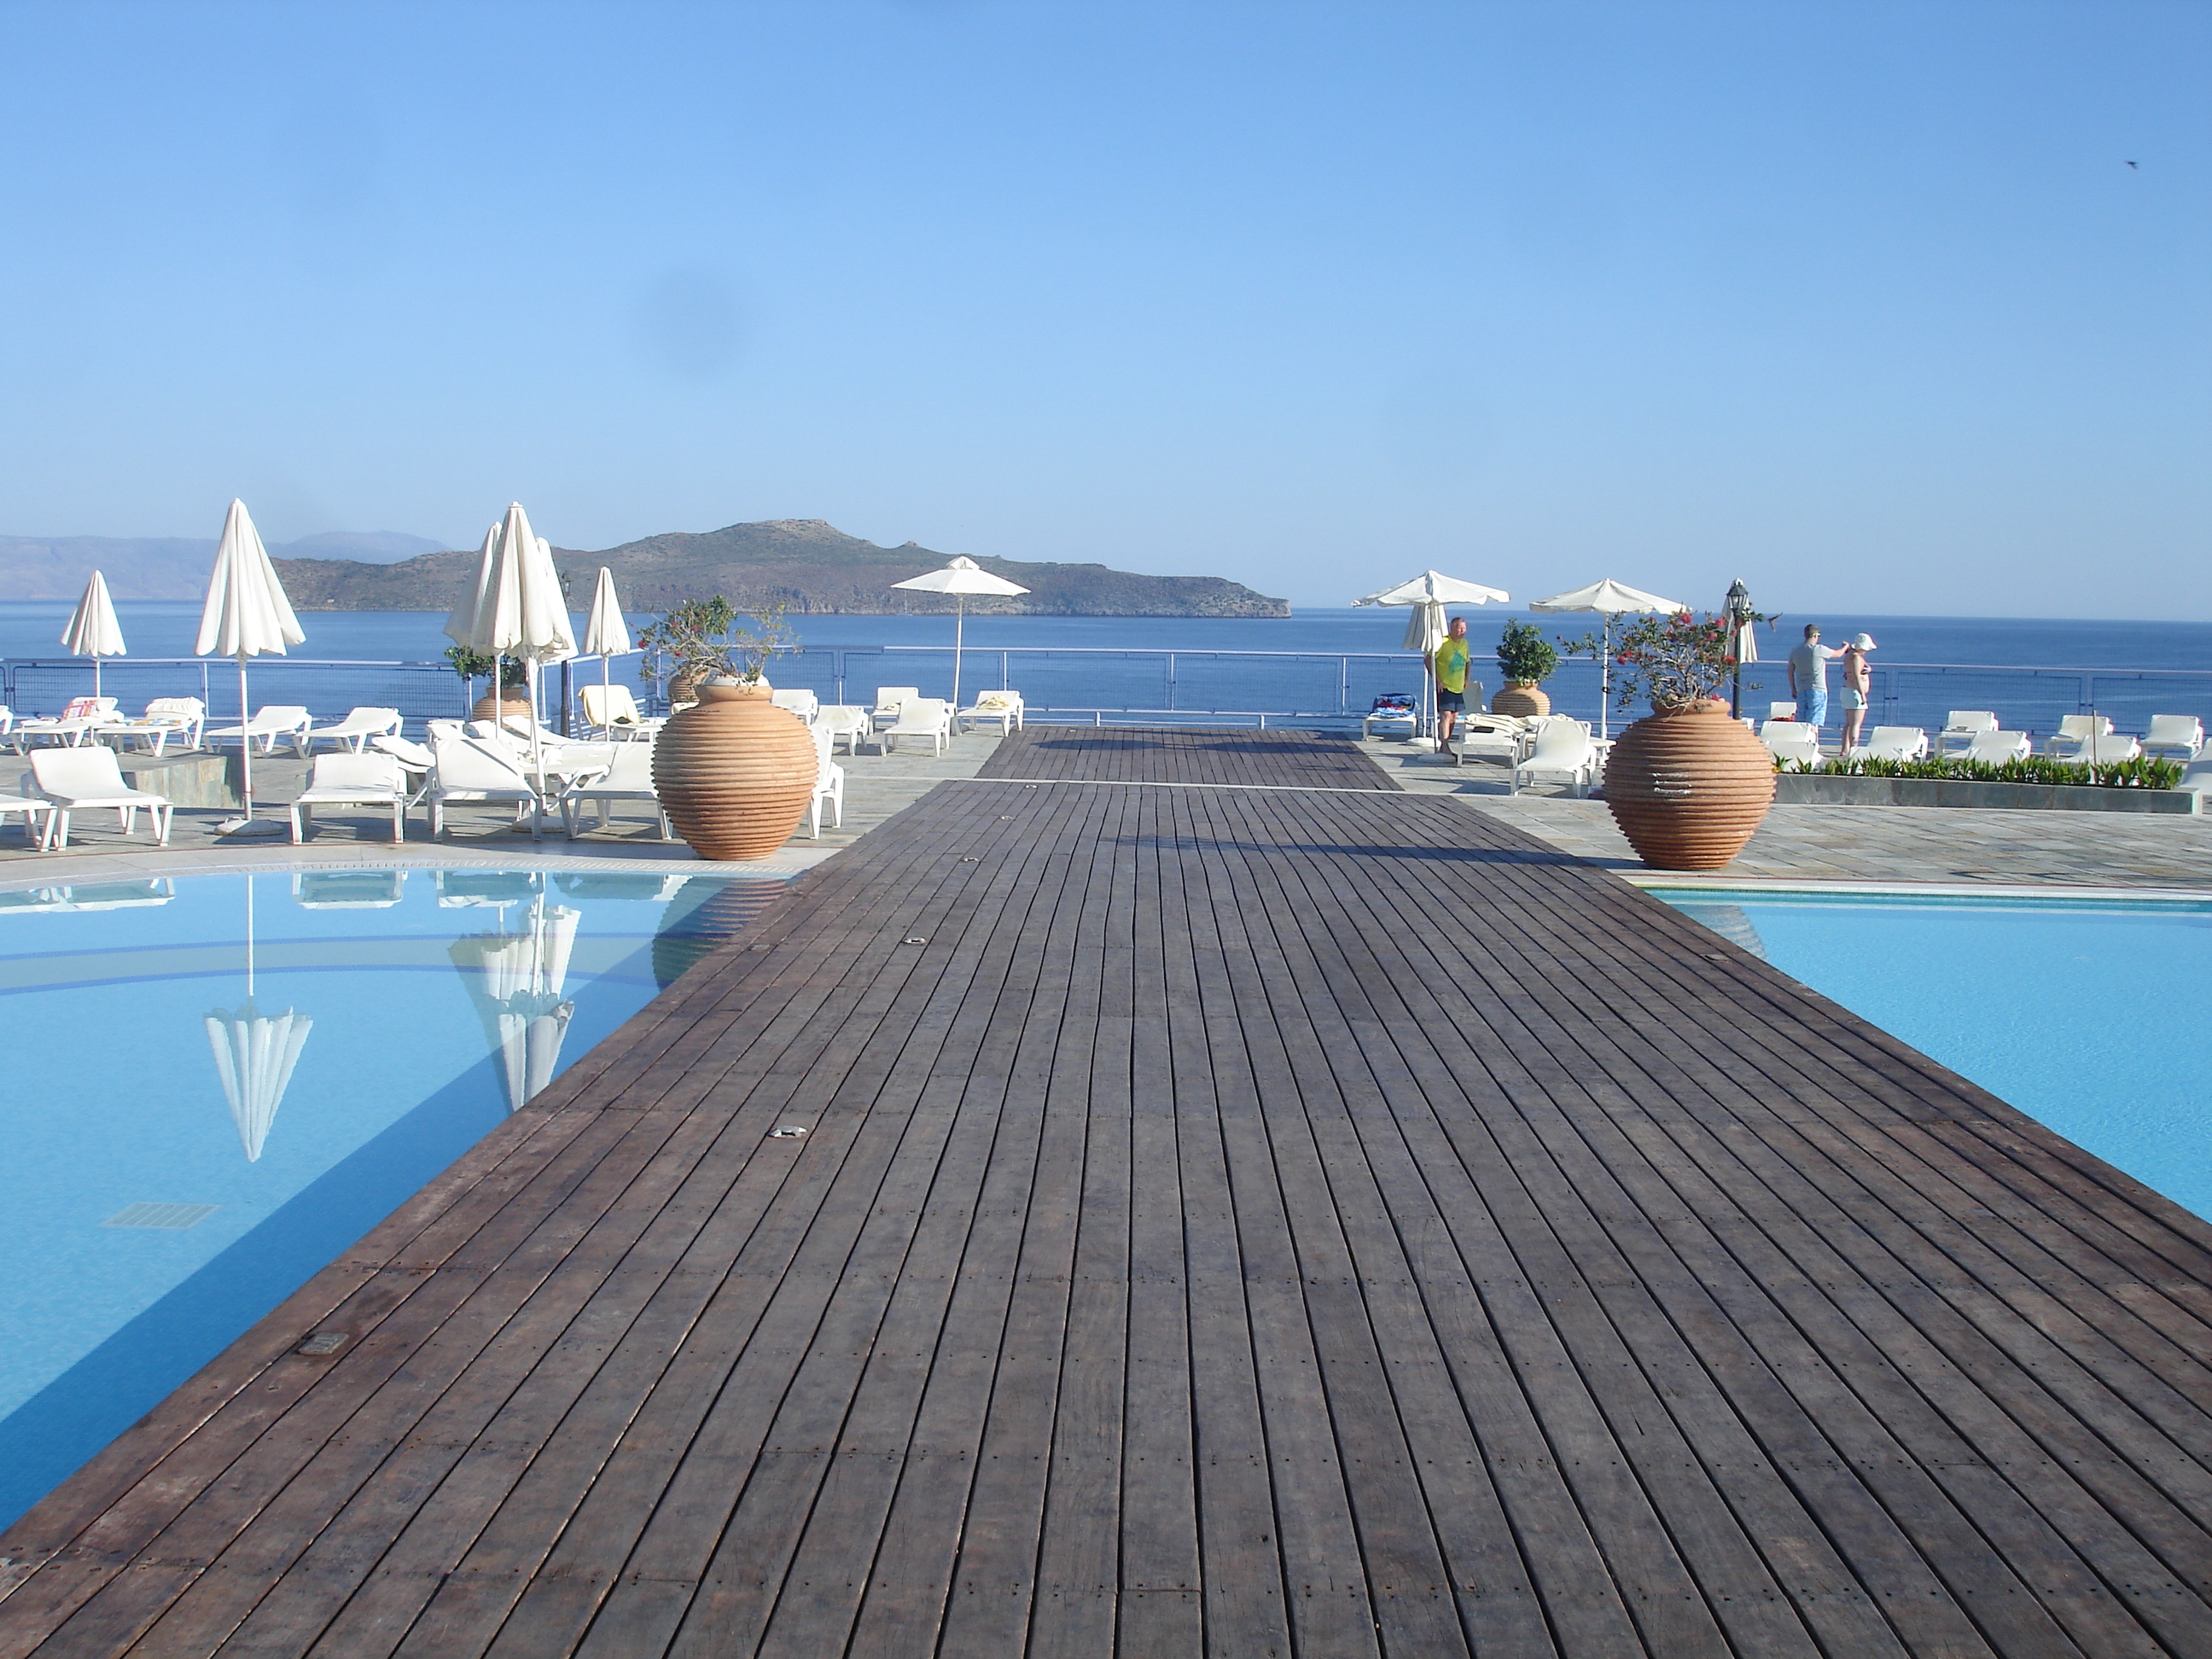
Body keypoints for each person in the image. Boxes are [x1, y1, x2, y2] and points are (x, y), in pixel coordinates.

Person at [1786, 624, 1842, 736]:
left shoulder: (1796, 651)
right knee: (1814, 722)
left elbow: (1790, 670)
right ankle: (1812, 745)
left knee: (1801, 721)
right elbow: (1838, 654)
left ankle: (1800, 743)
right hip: (1817, 689)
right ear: (1816, 635)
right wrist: (1845, 647)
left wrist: (1793, 688)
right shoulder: (1818, 649)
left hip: (1801, 689)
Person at [1432, 615, 1472, 748]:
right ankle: (1444, 746)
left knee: (1454, 717)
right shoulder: (1443, 642)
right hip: (1445, 685)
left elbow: (1467, 661)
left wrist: (1467, 678)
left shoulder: (1465, 643)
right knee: (1446, 715)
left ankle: (1446, 743)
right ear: (1452, 628)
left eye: (1464, 628)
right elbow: (1428, 660)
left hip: (1458, 686)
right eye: (1459, 628)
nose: (1462, 631)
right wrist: (1437, 680)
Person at [1837, 632, 1877, 751]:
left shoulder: (1852, 655)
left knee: (1849, 723)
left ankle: (1845, 748)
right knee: (1855, 724)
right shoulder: (1855, 657)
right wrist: (1862, 694)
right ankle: (1854, 748)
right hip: (1854, 692)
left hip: (1848, 691)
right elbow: (1856, 676)